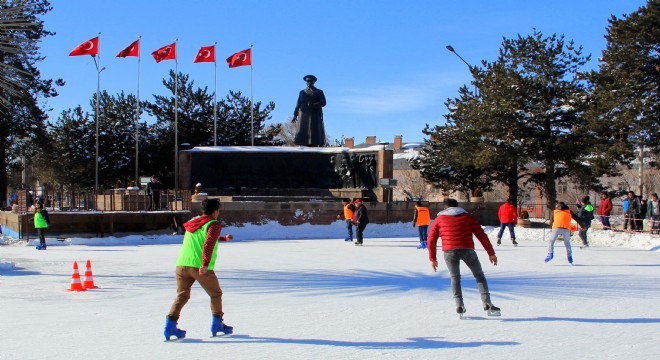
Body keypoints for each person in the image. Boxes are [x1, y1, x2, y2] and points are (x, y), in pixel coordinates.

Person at [164, 198, 234, 341]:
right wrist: (205, 264)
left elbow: (203, 237)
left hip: (182, 265)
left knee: (182, 296)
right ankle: (217, 324)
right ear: (215, 211)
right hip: (199, 267)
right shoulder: (213, 224)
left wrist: (223, 239)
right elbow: (208, 243)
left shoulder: (194, 223)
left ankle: (169, 326)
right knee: (215, 294)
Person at [427, 198, 500, 317]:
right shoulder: (467, 217)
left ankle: (459, 305)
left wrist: (433, 258)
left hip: (449, 251)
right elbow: (481, 235)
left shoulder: (439, 219)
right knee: (479, 276)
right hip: (467, 250)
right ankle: (487, 303)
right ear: (457, 207)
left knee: (455, 278)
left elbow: (431, 239)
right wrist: (491, 253)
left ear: (445, 208)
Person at [292, 75, 327, 147]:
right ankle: (302, 143)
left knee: (314, 130)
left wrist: (314, 104)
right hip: (304, 114)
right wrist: (295, 114)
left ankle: (314, 143)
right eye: (307, 81)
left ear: (314, 82)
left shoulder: (319, 92)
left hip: (314, 114)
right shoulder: (302, 92)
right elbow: (298, 103)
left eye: (310, 81)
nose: (309, 82)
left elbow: (323, 102)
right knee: (303, 131)